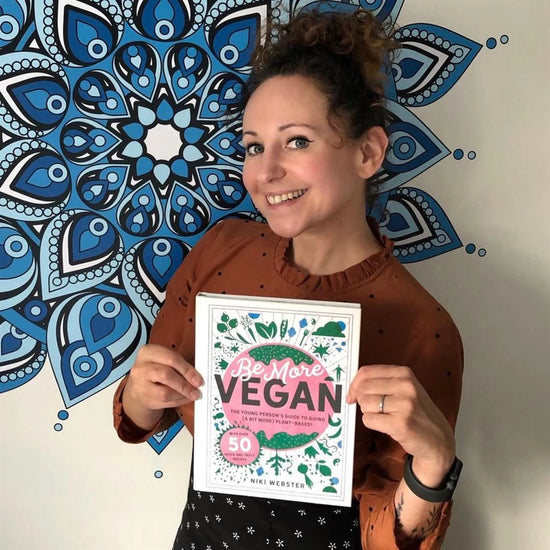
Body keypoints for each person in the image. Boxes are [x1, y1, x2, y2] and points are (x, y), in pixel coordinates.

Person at [113, 8, 463, 550]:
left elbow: (384, 540)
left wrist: (434, 462)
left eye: (297, 141)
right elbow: (141, 418)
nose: (265, 170)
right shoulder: (221, 251)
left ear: (368, 152)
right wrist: (140, 392)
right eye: (253, 146)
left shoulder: (423, 326)